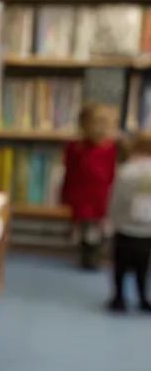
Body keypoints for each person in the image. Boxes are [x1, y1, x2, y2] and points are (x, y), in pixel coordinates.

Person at [61, 103, 117, 269]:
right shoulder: (75, 147)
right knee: (85, 227)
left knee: (98, 228)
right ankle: (88, 253)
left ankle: (95, 253)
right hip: (81, 195)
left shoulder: (111, 148)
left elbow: (112, 174)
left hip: (101, 196)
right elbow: (69, 172)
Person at [107, 131, 151, 312]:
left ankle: (119, 298)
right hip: (147, 232)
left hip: (124, 230)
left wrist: (111, 220)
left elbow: (115, 200)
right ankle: (143, 299)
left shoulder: (126, 172)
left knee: (120, 267)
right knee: (143, 269)